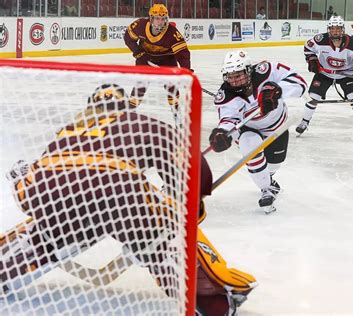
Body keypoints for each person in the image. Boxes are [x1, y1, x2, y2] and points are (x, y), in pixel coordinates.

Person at [1, 84, 256, 315]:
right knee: (161, 234)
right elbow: (186, 156)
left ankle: (9, 266)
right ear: (124, 107)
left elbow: (33, 191)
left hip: (48, 190)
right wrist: (189, 206)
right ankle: (212, 302)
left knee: (42, 234)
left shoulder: (68, 130)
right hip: (117, 190)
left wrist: (22, 183)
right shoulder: (137, 121)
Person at [208, 50, 307, 210]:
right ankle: (266, 189)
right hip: (249, 129)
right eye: (230, 76)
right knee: (249, 145)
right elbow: (228, 119)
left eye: (238, 75)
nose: (234, 80)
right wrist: (223, 134)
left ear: (248, 70)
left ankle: (268, 180)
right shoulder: (225, 94)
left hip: (277, 128)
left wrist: (277, 91)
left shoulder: (266, 71)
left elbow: (300, 83)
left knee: (273, 166)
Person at [296, 15, 353, 139]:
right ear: (328, 29)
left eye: (338, 28)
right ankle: (304, 122)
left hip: (346, 74)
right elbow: (308, 48)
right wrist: (312, 60)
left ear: (343, 29)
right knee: (313, 97)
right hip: (325, 73)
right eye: (333, 28)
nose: (335, 31)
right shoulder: (320, 39)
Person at [124, 4, 190, 109]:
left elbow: (183, 54)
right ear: (151, 18)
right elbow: (128, 37)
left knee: (171, 86)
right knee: (141, 83)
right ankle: (130, 110)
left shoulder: (172, 33)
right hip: (145, 57)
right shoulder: (140, 25)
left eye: (163, 19)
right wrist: (138, 51)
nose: (160, 22)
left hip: (167, 59)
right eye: (157, 19)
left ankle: (176, 111)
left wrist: (186, 71)